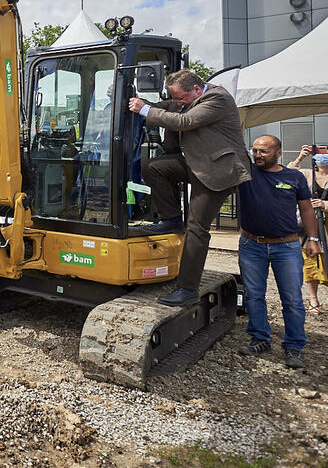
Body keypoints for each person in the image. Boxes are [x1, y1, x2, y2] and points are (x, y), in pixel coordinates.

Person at [128, 69, 252, 306]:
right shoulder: (187, 99)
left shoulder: (218, 99)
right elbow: (163, 106)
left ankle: (186, 289)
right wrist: (132, 99)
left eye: (182, 97)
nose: (179, 102)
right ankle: (172, 218)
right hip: (195, 163)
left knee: (196, 228)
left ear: (196, 89)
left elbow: (185, 121)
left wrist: (144, 110)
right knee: (155, 167)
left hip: (218, 171)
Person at [236, 135, 321, 369]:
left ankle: (294, 347)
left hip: (287, 246)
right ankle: (260, 339)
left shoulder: (293, 177)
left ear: (278, 153)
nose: (257, 155)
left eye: (263, 151)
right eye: (254, 151)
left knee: (292, 299)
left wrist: (312, 239)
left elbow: (306, 210)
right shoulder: (245, 174)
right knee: (254, 295)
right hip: (251, 245)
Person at [287, 145, 328, 314]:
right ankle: (313, 301)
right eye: (319, 151)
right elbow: (286, 174)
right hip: (310, 226)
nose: (322, 155)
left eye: (325, 151)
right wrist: (299, 158)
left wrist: (325, 204)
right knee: (310, 263)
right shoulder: (306, 173)